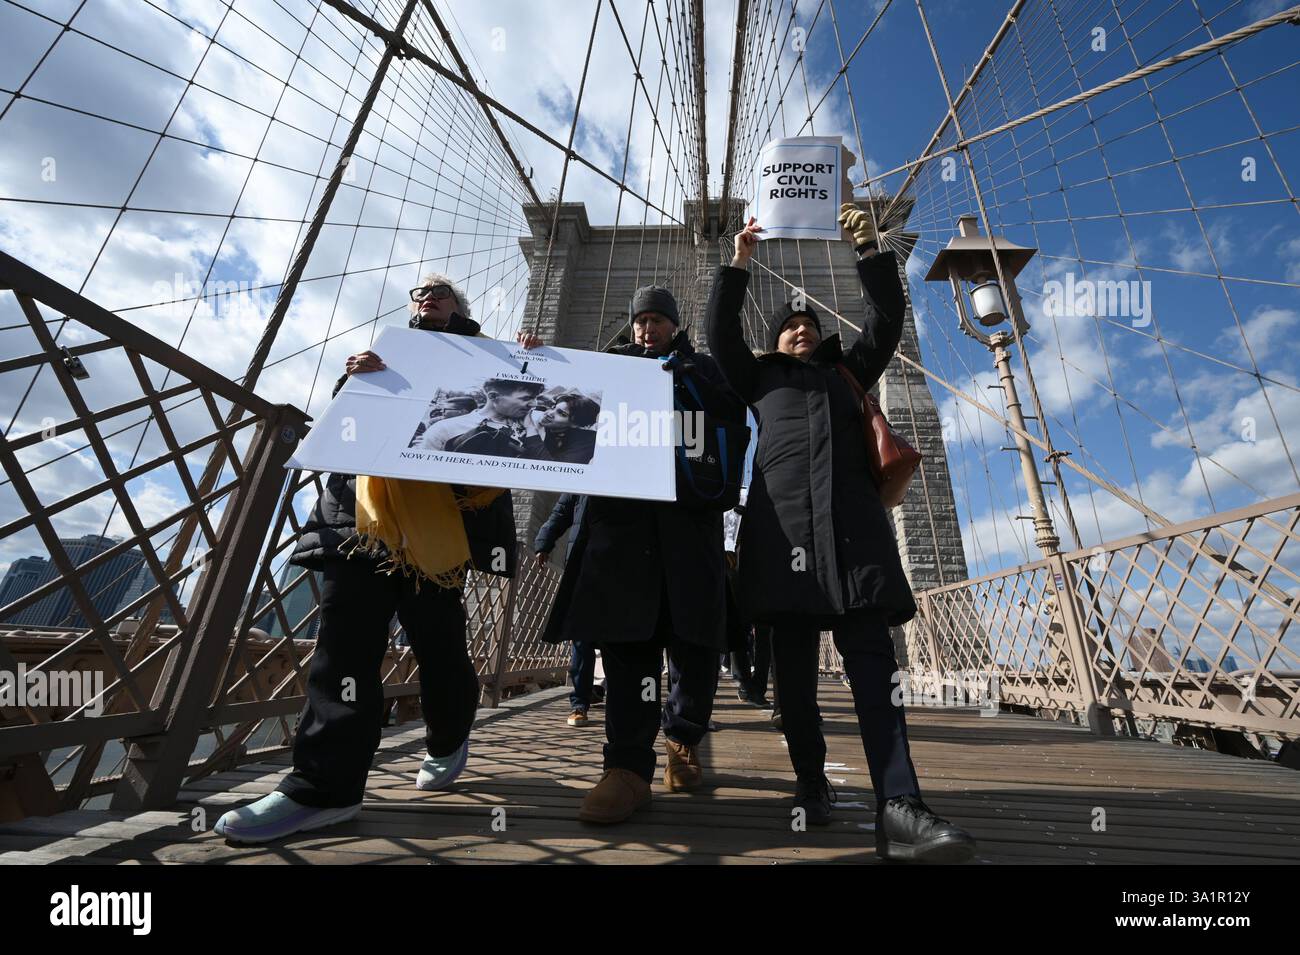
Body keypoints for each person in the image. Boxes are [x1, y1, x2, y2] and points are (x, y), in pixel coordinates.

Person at [706, 208, 977, 864]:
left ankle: (901, 806)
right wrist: (739, 261)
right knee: (793, 684)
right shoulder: (757, 379)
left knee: (875, 672)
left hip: (854, 537)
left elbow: (887, 317)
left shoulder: (850, 370)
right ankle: (810, 781)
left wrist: (867, 245)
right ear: (776, 342)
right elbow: (719, 335)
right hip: (783, 539)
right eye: (789, 326)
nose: (801, 329)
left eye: (809, 324)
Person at [214, 273, 520, 844]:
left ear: (461, 305)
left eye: (441, 292)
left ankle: (450, 735)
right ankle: (323, 788)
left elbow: (504, 445)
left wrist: (537, 367)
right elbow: (344, 433)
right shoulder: (384, 356)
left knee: (441, 650)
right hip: (360, 522)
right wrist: (351, 384)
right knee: (343, 654)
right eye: (420, 292)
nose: (427, 297)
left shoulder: (495, 363)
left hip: (436, 528)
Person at [536, 285, 747, 824]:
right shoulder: (608, 370)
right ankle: (627, 770)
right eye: (640, 321)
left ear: (674, 326)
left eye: (657, 320)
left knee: (695, 649)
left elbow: (732, 419)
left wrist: (687, 382)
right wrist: (537, 363)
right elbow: (561, 415)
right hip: (624, 533)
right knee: (628, 647)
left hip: (687, 528)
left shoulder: (703, 369)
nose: (647, 329)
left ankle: (682, 737)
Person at [532, 493, 603, 725]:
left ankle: (615, 697)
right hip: (582, 566)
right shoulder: (584, 473)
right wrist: (544, 542)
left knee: (617, 640)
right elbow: (561, 512)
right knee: (581, 639)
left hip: (621, 566)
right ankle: (579, 703)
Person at [422, 378, 546, 456]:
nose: (534, 404)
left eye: (536, 398)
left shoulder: (537, 423)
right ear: (493, 396)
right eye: (526, 398)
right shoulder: (444, 429)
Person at [520, 392, 600, 464]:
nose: (549, 413)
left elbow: (553, 468)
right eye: (553, 407)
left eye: (562, 414)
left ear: (576, 424)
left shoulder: (589, 440)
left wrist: (531, 429)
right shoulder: (538, 413)